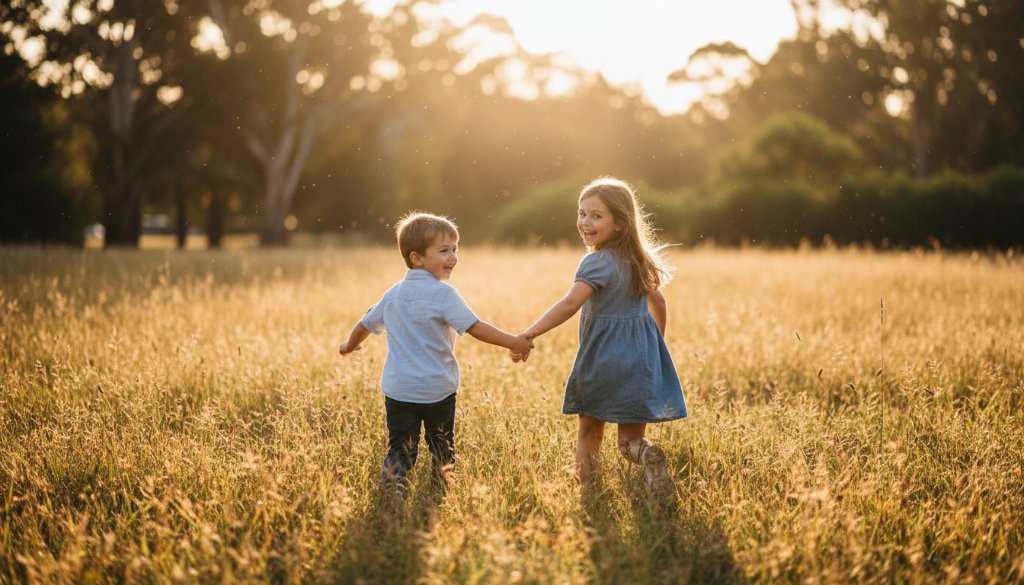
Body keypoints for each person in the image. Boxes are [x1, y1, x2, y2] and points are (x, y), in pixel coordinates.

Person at [339, 212, 534, 501]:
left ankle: (393, 487)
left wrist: (348, 345)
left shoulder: (392, 294)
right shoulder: (444, 295)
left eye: (455, 249)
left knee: (400, 448)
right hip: (437, 390)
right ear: (417, 258)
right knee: (442, 445)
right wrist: (513, 341)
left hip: (399, 390)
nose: (454, 256)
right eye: (444, 250)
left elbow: (364, 324)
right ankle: (441, 492)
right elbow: (476, 328)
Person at [513, 177, 687, 499]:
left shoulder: (596, 262)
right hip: (640, 361)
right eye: (582, 213)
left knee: (590, 432)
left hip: (602, 361)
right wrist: (654, 345)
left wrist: (530, 333)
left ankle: (590, 495)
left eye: (596, 216)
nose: (585, 222)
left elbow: (570, 303)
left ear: (619, 223)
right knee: (628, 442)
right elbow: (659, 303)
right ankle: (645, 454)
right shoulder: (640, 261)